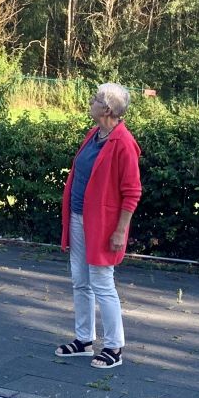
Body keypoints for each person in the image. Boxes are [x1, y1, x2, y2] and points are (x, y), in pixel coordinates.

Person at [56, 83, 142, 369]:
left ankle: (114, 347)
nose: (90, 102)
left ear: (107, 109)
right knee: (80, 280)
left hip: (104, 225)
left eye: (95, 99)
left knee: (103, 284)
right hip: (80, 218)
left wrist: (120, 230)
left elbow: (132, 192)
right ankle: (83, 339)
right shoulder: (94, 135)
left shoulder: (123, 143)